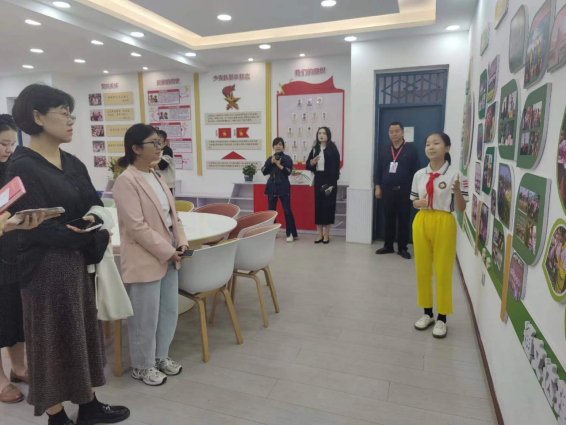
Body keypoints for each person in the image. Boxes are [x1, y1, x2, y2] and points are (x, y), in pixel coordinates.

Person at [6, 84, 130, 424]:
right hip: (43, 268)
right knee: (50, 342)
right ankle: (56, 414)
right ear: (37, 117)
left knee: (82, 334)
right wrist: (91, 237)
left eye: (70, 113)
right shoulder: (22, 166)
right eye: (64, 113)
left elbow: (93, 202)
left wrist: (92, 222)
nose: (71, 120)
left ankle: (88, 404)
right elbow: (37, 227)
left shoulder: (71, 161)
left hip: (76, 263)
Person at [113, 124, 189, 387]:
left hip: (169, 253)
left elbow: (173, 216)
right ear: (136, 148)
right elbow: (136, 227)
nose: (160, 148)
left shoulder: (156, 175)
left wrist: (181, 242)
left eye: (160, 143)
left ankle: (160, 357)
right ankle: (142, 366)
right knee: (144, 317)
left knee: (168, 311)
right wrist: (168, 251)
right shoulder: (126, 181)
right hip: (146, 257)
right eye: (154, 143)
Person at [0, 114, 59, 405]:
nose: (8, 150)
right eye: (2, 143)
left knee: (15, 314)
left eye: (12, 143)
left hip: (14, 253)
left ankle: (19, 368)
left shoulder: (14, 168)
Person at [410, 132, 468, 339]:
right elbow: (414, 201)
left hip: (444, 221)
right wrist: (418, 203)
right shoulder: (419, 174)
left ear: (447, 148)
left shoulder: (456, 175)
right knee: (422, 270)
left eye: (436, 143)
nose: (431, 147)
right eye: (428, 144)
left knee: (443, 271)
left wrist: (458, 191)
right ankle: (427, 313)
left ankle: (442, 318)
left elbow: (461, 208)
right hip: (422, 220)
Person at [374, 122, 420, 259]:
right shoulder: (384, 149)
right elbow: (378, 169)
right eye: (391, 131)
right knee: (388, 220)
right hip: (387, 190)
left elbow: (416, 171)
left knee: (404, 220)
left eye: (396, 131)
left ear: (402, 132)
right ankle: (388, 246)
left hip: (404, 191)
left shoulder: (411, 149)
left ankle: (402, 248)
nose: (394, 134)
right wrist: (377, 187)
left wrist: (415, 192)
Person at [306, 127, 340, 244]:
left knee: (328, 208)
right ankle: (320, 235)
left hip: (329, 181)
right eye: (319, 133)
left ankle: (327, 235)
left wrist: (332, 184)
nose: (321, 135)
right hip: (318, 179)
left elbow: (336, 169)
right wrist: (312, 163)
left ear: (328, 135)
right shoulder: (315, 149)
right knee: (319, 207)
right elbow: (308, 165)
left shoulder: (333, 149)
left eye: (324, 133)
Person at [261, 137, 298, 242]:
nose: (278, 146)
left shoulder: (287, 158)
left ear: (283, 146)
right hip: (271, 186)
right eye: (276, 144)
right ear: (273, 146)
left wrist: (278, 164)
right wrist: (271, 162)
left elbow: (288, 171)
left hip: (283, 186)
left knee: (287, 210)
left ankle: (290, 233)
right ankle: (273, 232)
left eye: (280, 144)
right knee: (271, 211)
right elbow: (263, 171)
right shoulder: (270, 158)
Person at [156, 130, 176, 196]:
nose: (157, 145)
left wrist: (149, 165)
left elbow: (162, 166)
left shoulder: (167, 151)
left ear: (165, 142)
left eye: (160, 143)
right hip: (156, 183)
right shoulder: (154, 151)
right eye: (155, 143)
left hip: (167, 184)